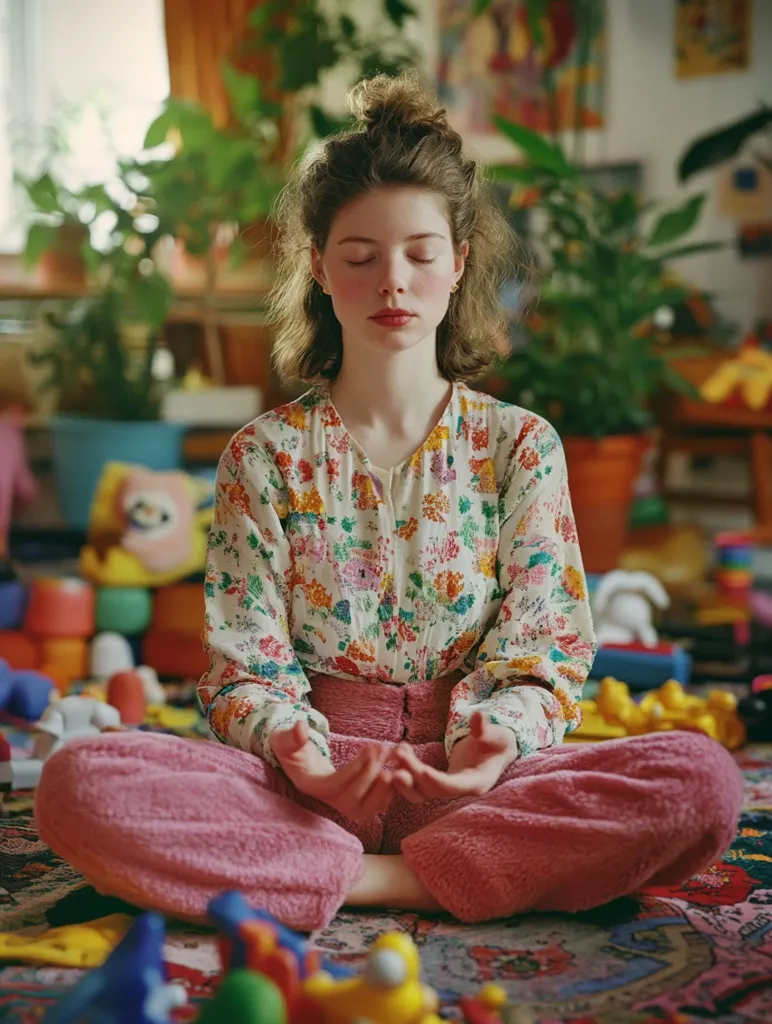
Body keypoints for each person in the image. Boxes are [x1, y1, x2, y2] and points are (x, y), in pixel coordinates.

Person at [36, 72, 742, 932]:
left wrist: (489, 749)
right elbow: (245, 665)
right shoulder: (263, 456)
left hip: (475, 786)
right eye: (360, 258)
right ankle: (427, 876)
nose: (392, 284)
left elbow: (544, 648)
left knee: (701, 783)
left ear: (459, 265)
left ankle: (360, 882)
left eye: (419, 254)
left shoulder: (521, 445)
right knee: (79, 785)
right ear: (321, 271)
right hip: (303, 791)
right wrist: (300, 751)